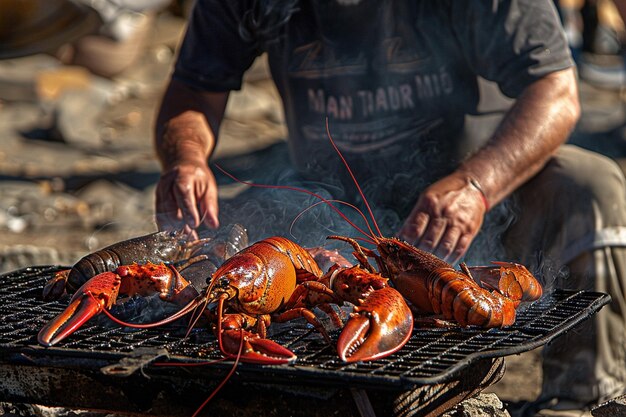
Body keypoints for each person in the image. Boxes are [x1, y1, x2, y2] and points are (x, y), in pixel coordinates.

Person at [153, 0, 626, 415]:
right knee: (225, 241)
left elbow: (556, 92)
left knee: (592, 186)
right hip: (329, 211)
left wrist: (477, 184)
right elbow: (192, 90)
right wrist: (187, 159)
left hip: (470, 198)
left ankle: (580, 398)